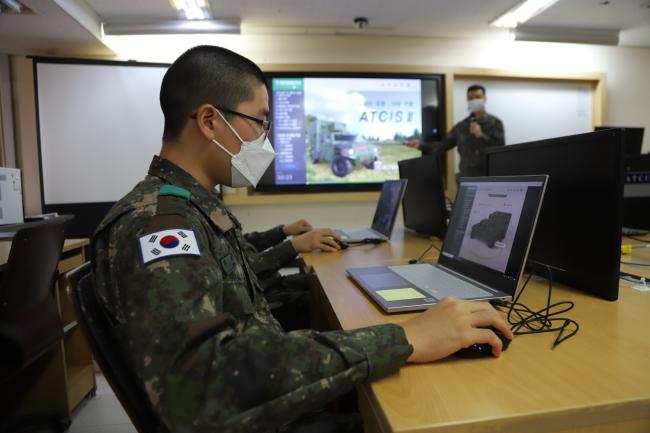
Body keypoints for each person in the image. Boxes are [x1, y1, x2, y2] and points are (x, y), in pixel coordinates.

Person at [91, 45, 512, 433]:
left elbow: (232, 292)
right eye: (259, 122)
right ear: (209, 121)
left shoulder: (184, 206)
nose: (266, 139)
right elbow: (202, 385)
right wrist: (404, 338)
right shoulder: (159, 225)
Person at [242, 219, 330, 331]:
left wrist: (282, 231)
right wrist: (294, 245)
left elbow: (244, 243)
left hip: (270, 283)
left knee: (324, 281)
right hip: (258, 301)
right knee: (325, 303)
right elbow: (245, 271)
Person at [405, 84, 505, 178]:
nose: (474, 100)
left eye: (478, 97)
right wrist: (421, 145)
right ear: (467, 100)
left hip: (489, 178)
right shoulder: (461, 126)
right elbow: (442, 145)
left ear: (484, 98)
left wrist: (480, 135)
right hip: (467, 179)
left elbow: (500, 150)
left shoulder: (495, 123)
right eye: (471, 98)